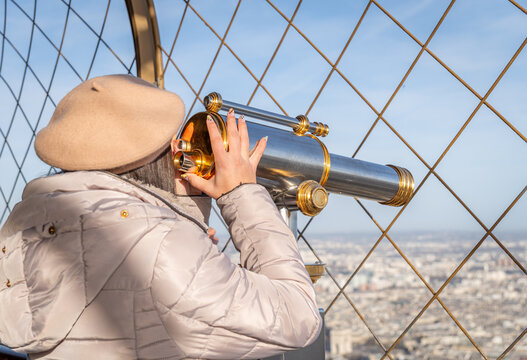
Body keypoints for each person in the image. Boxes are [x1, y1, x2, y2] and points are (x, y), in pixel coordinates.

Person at [0, 74, 321, 359]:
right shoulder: (163, 246)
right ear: (152, 159)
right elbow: (299, 317)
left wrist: (185, 222)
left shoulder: (20, 232)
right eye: (175, 146)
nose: (182, 154)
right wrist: (241, 193)